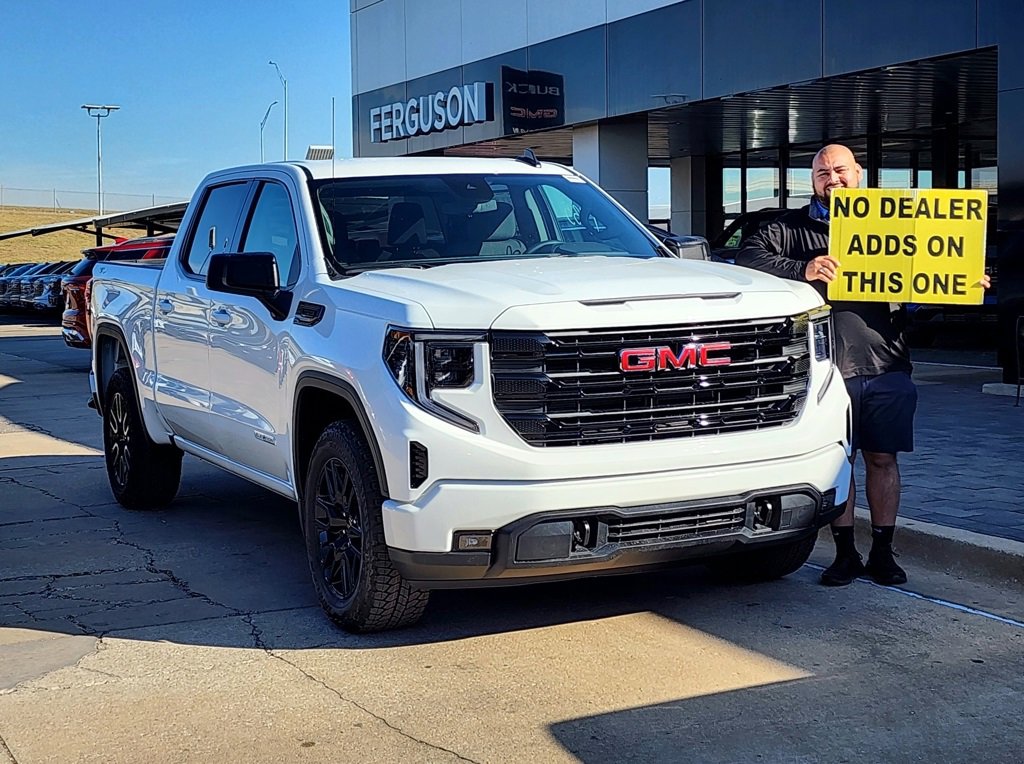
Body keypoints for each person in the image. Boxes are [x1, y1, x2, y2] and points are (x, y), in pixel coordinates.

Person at [736, 144, 916, 587]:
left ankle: (882, 551)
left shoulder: (894, 223)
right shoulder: (788, 229)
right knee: (840, 461)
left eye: (839, 170)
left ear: (859, 172)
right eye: (821, 173)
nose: (831, 178)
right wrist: (805, 267)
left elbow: (930, 276)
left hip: (886, 361)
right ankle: (845, 554)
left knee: (882, 458)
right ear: (811, 180)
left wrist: (963, 281)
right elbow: (746, 258)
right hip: (825, 369)